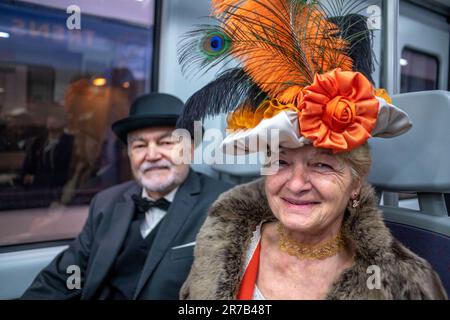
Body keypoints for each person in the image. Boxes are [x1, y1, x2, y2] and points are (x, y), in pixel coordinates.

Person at [177, 0, 447, 299]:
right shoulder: (223, 242)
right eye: (280, 162)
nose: (295, 184)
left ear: (356, 183)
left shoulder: (403, 284)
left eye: (322, 165)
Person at [21, 93, 232, 299]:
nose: (152, 155)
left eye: (166, 143)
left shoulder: (226, 206)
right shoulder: (106, 203)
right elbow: (71, 273)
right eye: (140, 146)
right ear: (130, 153)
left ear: (191, 148)